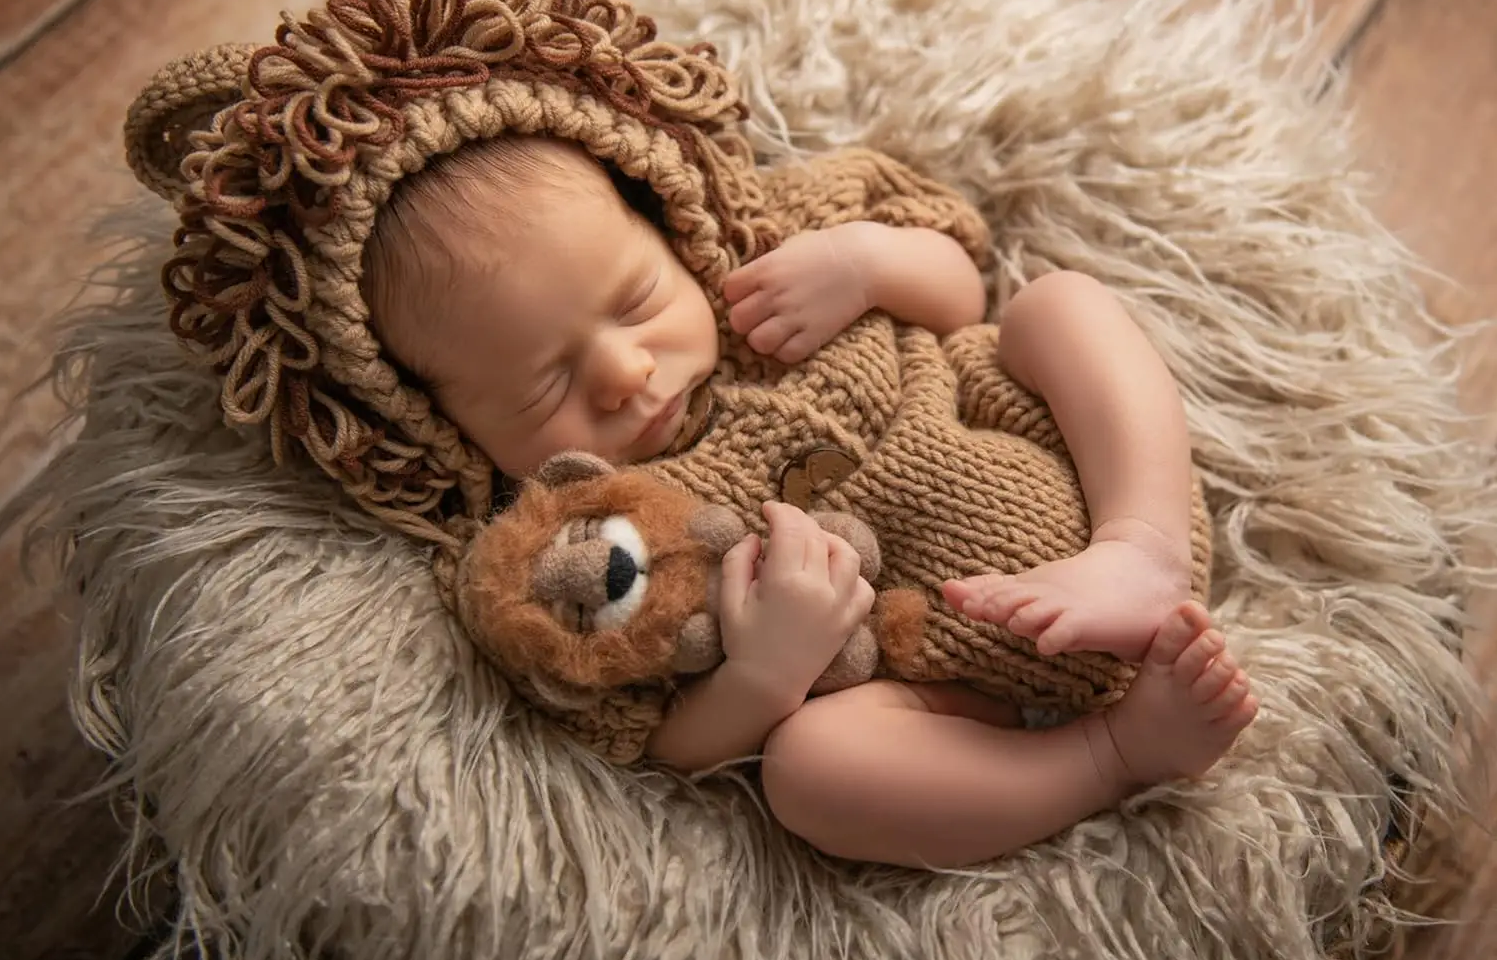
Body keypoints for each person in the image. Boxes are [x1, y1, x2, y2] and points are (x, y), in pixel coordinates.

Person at [361, 133, 1258, 870]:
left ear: (668, 235)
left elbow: (959, 288)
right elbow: (659, 743)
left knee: (1055, 307)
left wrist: (863, 264)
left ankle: (1143, 548)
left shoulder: (764, 269)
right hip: (968, 697)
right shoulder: (572, 546)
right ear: (453, 429)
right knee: (811, 772)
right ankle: (1114, 755)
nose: (626, 372)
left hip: (1075, 476)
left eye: (638, 300)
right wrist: (764, 673)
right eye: (540, 389)